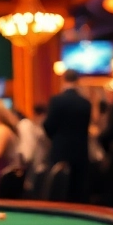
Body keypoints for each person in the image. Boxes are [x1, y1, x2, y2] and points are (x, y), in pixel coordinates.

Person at [43, 70, 93, 202]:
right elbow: (86, 127)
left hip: (61, 150)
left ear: (63, 80)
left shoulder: (56, 101)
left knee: (60, 189)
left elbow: (48, 126)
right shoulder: (85, 103)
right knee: (78, 190)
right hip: (81, 151)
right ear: (77, 81)